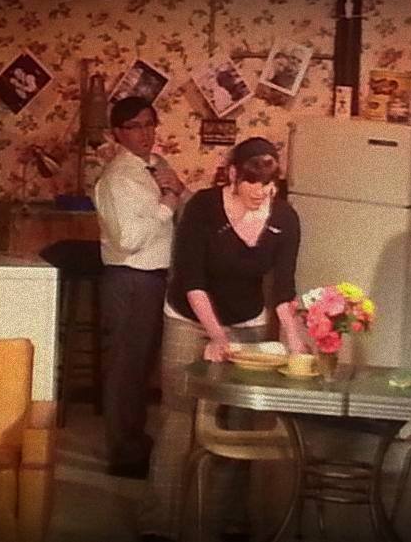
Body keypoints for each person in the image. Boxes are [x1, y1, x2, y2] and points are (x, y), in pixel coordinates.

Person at [138, 137, 309, 542]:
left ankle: (219, 523)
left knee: (238, 421)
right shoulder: (202, 208)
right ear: (232, 175)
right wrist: (215, 336)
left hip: (247, 321)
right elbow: (191, 279)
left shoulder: (285, 218)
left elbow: (283, 288)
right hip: (188, 317)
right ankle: (160, 523)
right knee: (180, 417)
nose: (261, 194)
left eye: (268, 186)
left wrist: (295, 337)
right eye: (252, 185)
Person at [94, 96, 188, 479]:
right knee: (126, 368)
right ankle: (124, 453)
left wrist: (175, 191)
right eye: (134, 126)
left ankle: (135, 441)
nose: (145, 133)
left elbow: (177, 211)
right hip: (130, 277)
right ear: (117, 133)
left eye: (149, 124)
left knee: (140, 366)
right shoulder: (118, 178)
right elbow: (129, 239)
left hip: (153, 277)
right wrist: (167, 203)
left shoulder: (154, 166)